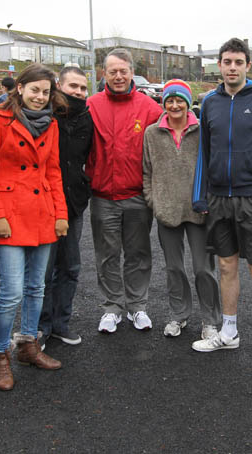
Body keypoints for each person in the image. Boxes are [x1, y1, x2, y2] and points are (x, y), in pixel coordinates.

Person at [191, 38, 252, 375]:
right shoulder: (209, 102)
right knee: (227, 266)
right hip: (218, 199)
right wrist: (200, 194)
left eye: (238, 61)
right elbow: (204, 150)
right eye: (226, 61)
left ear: (248, 65)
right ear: (219, 65)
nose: (232, 67)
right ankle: (228, 332)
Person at [0, 63, 69, 391]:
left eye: (46, 92)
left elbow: (53, 171)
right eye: (34, 90)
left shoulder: (51, 124)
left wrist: (60, 213)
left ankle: (28, 346)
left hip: (42, 212)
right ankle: (0, 355)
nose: (39, 97)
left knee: (36, 288)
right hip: (9, 212)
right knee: (11, 292)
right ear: (20, 88)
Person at [86, 48, 162, 333]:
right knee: (106, 254)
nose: (118, 76)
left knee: (138, 253)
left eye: (123, 71)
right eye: (112, 71)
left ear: (132, 73)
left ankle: (137, 306)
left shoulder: (150, 108)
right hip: (103, 195)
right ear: (103, 73)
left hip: (136, 196)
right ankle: (112, 307)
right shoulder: (90, 105)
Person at [142, 79, 222, 339]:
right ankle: (178, 314)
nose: (174, 105)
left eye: (180, 100)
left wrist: (209, 200)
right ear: (163, 103)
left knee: (203, 268)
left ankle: (210, 320)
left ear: (188, 104)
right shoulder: (152, 133)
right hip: (167, 211)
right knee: (174, 268)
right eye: (170, 100)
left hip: (199, 211)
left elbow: (212, 168)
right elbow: (147, 172)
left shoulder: (202, 131)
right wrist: (154, 200)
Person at [38, 66, 93, 348]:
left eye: (83, 88)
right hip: (45, 204)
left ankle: (61, 324)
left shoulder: (86, 119)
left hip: (74, 204)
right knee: (43, 271)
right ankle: (41, 327)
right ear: (59, 85)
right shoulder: (44, 116)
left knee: (70, 266)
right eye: (73, 86)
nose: (79, 93)